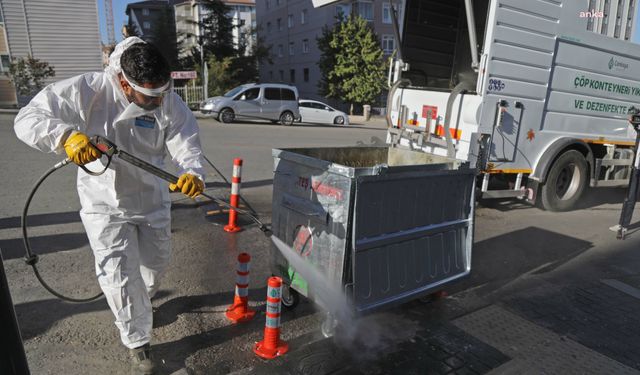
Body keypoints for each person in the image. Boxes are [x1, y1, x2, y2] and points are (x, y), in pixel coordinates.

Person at [14, 37, 205, 374]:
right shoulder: (88, 90)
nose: (158, 100)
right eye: (149, 96)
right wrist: (65, 136)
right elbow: (28, 118)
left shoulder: (167, 100)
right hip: (104, 204)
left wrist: (192, 172)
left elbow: (185, 139)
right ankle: (137, 341)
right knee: (119, 276)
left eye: (162, 93)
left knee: (154, 267)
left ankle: (142, 305)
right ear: (122, 82)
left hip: (153, 201)